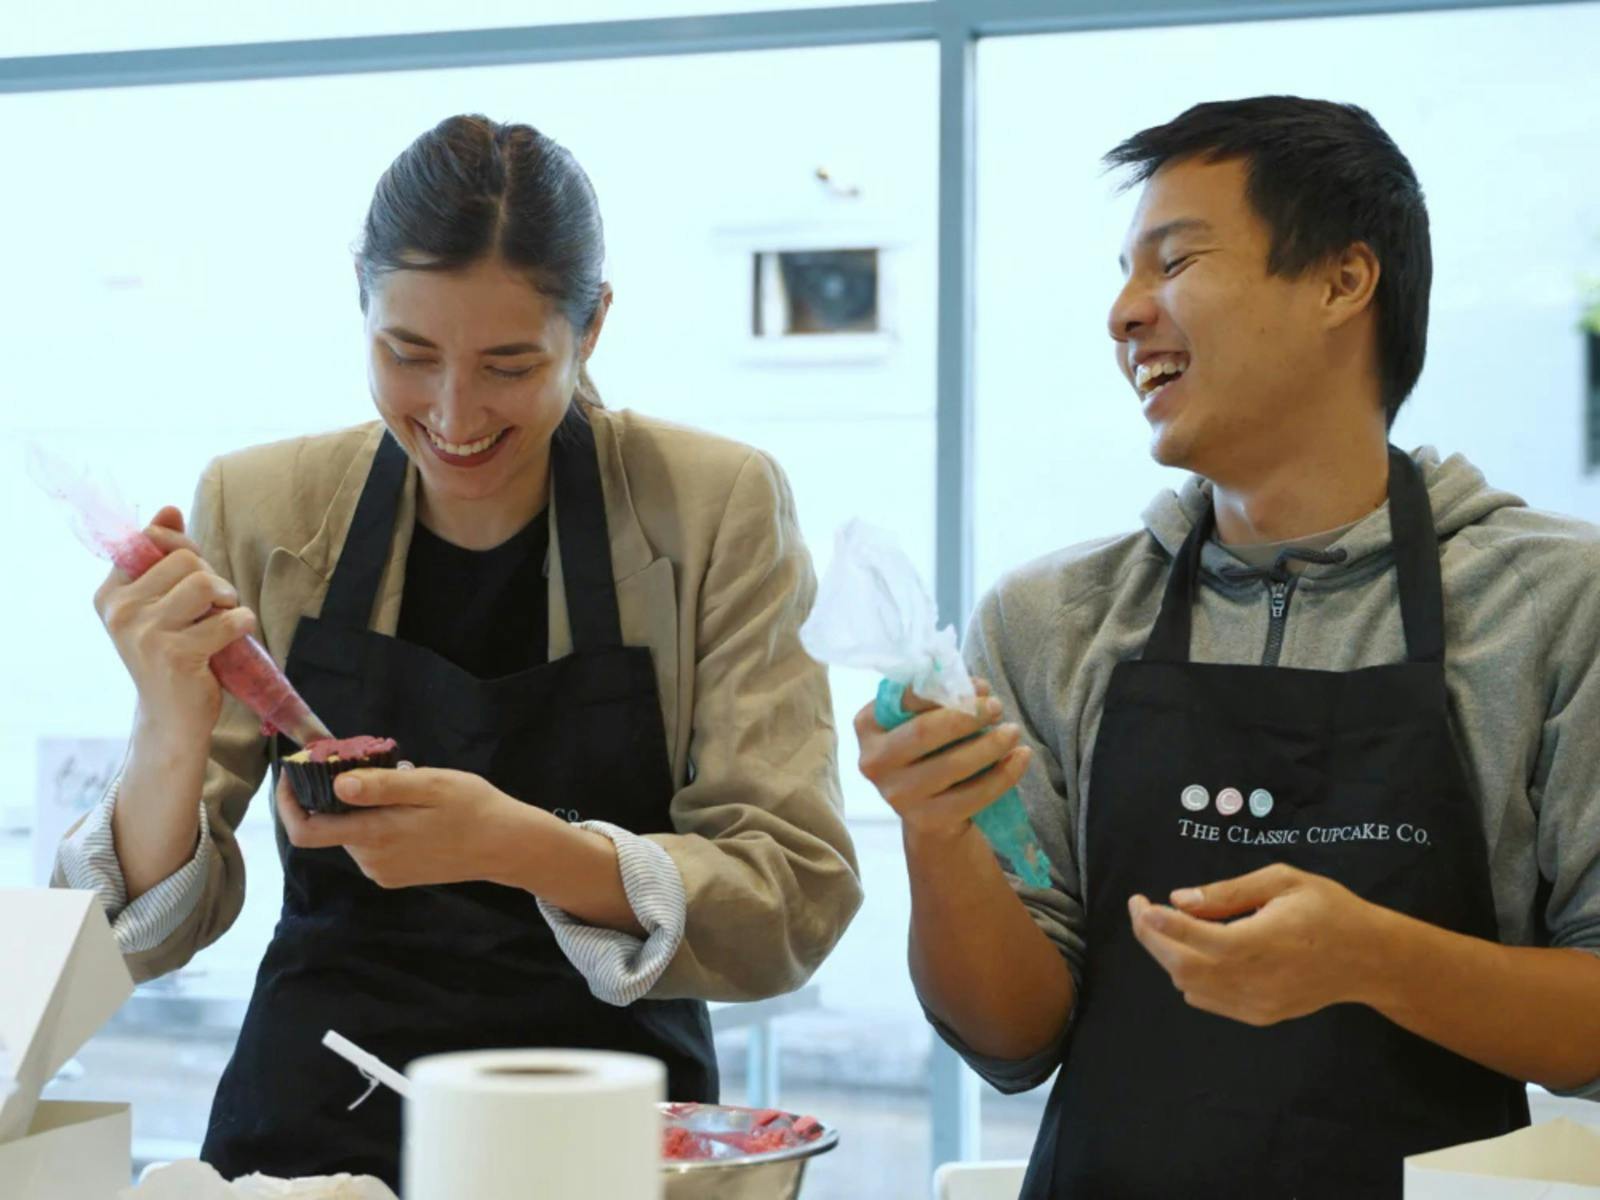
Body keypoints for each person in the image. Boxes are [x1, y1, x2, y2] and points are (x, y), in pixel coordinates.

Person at [55, 114, 862, 1188]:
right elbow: (137, 941)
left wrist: (519, 845)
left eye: (508, 365)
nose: (451, 413)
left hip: (611, 1135)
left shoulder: (711, 509)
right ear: (361, 304)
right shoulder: (261, 506)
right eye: (408, 353)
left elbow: (791, 897)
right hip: (318, 1126)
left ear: (594, 328)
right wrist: (167, 719)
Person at [856, 96, 1600, 1199]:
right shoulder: (1054, 615)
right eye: (1122, 272)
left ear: (1343, 282)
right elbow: (1011, 1041)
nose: (1123, 313)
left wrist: (1373, 957)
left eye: (1174, 261)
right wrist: (935, 832)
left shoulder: (1552, 601)